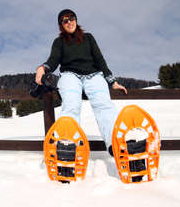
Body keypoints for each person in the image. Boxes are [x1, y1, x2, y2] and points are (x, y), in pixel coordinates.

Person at [35, 9, 127, 154]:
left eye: (71, 18)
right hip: (70, 75)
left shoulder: (88, 38)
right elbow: (53, 60)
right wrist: (43, 68)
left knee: (104, 104)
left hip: (93, 75)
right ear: (61, 25)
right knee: (71, 105)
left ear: (76, 20)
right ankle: (67, 144)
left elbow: (100, 60)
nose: (69, 22)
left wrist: (112, 81)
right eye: (65, 21)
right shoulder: (59, 42)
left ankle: (116, 144)